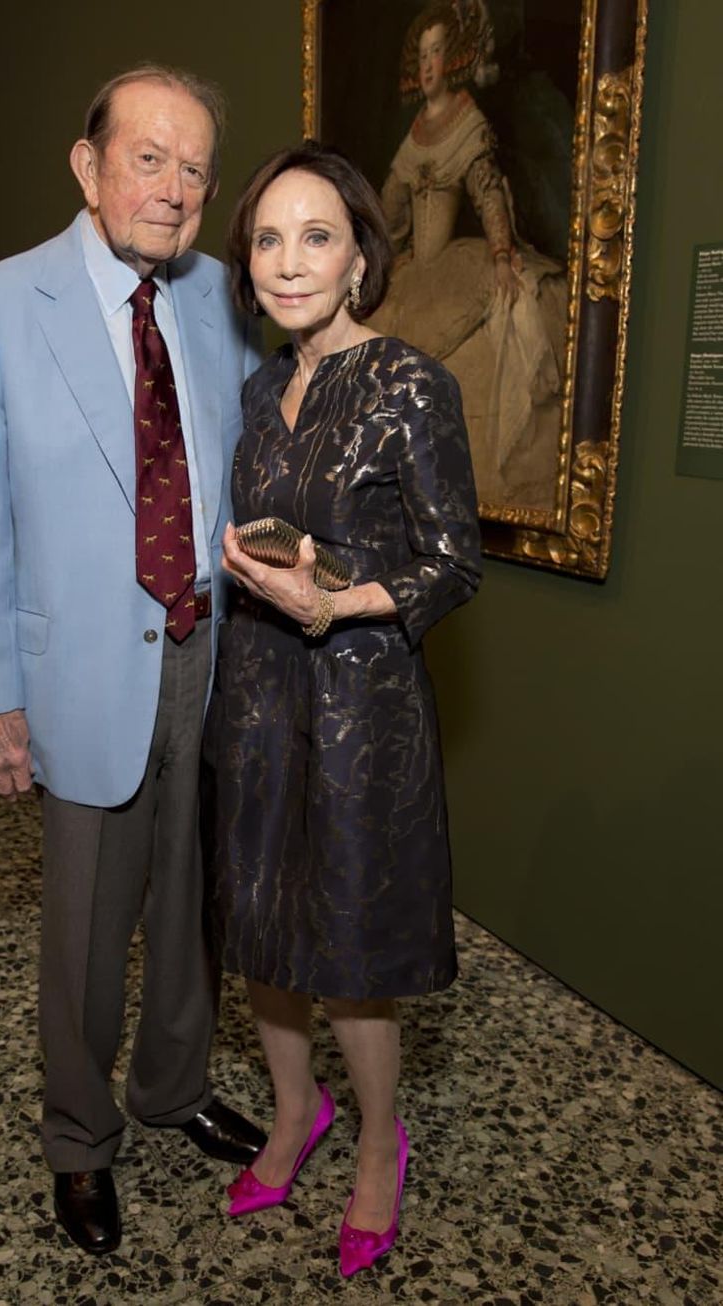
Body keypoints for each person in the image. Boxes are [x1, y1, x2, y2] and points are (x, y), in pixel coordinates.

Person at [0, 65, 265, 1257]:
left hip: (207, 656)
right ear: (88, 165)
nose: (172, 191)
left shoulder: (225, 299)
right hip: (73, 673)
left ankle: (171, 1087)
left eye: (193, 169)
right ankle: (79, 1137)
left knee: (192, 910)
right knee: (81, 933)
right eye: (148, 159)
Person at [202, 141, 481, 1277]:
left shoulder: (414, 382)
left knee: (351, 950)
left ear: (360, 257)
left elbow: (453, 562)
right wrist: (251, 563)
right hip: (260, 694)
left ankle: (376, 1142)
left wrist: (335, 600)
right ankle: (290, 1112)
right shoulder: (263, 389)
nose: (287, 260)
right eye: (267, 238)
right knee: (264, 921)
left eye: (315, 236)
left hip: (361, 703)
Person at [370, 0, 567, 511]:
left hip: (458, 264)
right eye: (423, 55)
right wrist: (375, 252)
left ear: (454, 57)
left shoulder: (467, 119)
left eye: (437, 53)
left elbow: (487, 192)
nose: (428, 65)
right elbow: (392, 210)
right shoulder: (416, 130)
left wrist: (502, 253)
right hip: (417, 265)